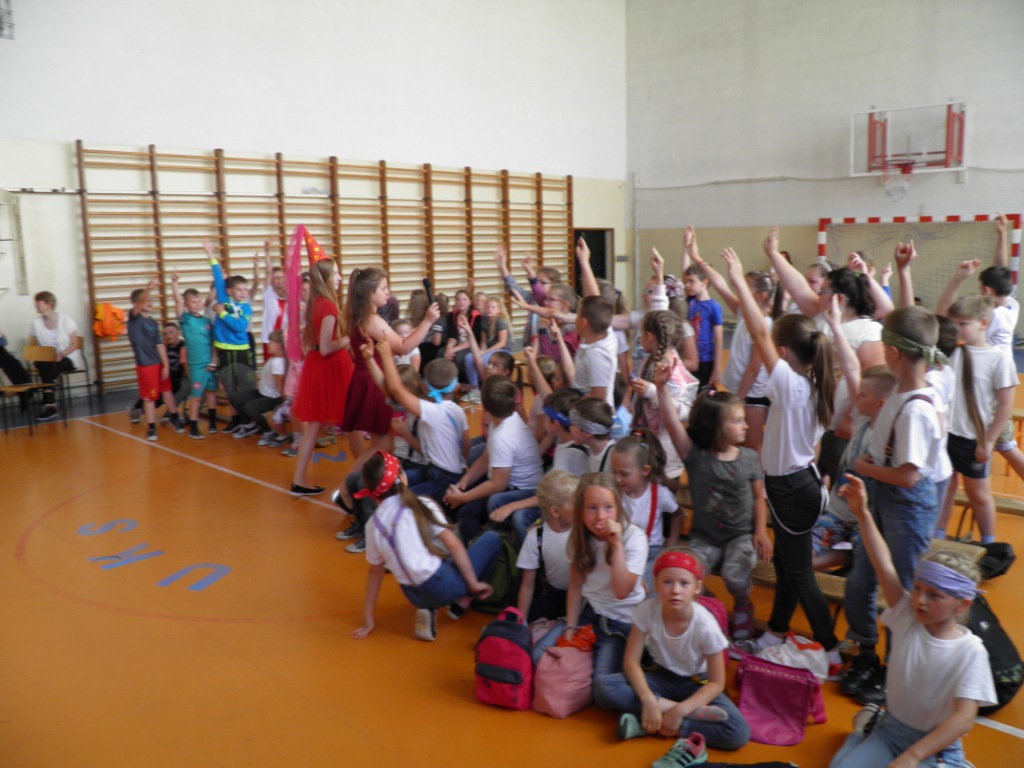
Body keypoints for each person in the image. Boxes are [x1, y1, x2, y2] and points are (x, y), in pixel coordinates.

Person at [719, 243, 845, 676]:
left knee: (799, 572)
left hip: (792, 489)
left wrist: (738, 279)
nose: (769, 349)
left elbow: (758, 332)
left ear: (786, 352)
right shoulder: (813, 384)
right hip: (797, 483)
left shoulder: (791, 386)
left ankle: (830, 647)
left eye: (776, 346)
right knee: (790, 568)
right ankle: (775, 631)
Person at [829, 476, 995, 768]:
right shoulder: (907, 615)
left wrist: (913, 756)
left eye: (934, 595)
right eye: (917, 588)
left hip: (935, 745)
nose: (920, 600)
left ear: (962, 604)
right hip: (891, 731)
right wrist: (863, 513)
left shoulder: (970, 651)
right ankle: (864, 728)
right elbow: (883, 564)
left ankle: (866, 731)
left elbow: (964, 718)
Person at [842, 306, 947, 705]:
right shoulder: (902, 390)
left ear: (893, 352)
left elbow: (908, 476)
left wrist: (864, 466)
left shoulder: (916, 408)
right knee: (861, 579)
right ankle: (866, 651)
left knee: (903, 591)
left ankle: (897, 667)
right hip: (883, 497)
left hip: (906, 504)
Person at [594, 548, 751, 752]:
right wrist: (649, 700)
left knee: (738, 732)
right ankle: (669, 713)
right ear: (656, 584)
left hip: (696, 683)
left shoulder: (705, 625)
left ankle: (655, 722)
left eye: (684, 583)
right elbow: (631, 661)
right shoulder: (646, 610)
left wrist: (680, 711)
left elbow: (716, 683)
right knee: (603, 687)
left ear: (697, 587)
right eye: (667, 582)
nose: (675, 590)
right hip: (661, 677)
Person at [656, 385, 768, 642]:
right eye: (737, 421)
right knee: (685, 573)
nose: (746, 426)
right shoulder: (696, 456)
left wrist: (761, 531)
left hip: (740, 537)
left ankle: (743, 604)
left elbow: (759, 497)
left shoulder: (749, 458)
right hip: (704, 537)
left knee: (734, 575)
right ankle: (710, 601)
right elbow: (672, 423)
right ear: (716, 426)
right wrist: (661, 388)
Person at [350, 451, 500, 642]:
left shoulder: (373, 524)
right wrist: (473, 584)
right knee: (491, 539)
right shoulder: (421, 504)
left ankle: (429, 608)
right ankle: (464, 599)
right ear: (402, 477)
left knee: (430, 551)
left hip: (414, 595)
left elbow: (375, 572)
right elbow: (454, 545)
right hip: (445, 586)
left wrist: (367, 618)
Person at [337, 267, 440, 506]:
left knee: (382, 443)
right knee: (382, 444)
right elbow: (403, 347)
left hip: (366, 377)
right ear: (369, 292)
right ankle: (346, 491)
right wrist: (427, 321)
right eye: (383, 288)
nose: (388, 292)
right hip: (374, 381)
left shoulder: (359, 316)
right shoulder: (372, 320)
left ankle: (359, 490)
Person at [933, 296, 1016, 543]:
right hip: (946, 434)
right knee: (945, 488)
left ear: (983, 323)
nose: (957, 329)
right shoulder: (953, 351)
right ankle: (938, 536)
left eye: (963, 324)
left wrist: (988, 441)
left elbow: (1005, 405)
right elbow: (941, 312)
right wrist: (959, 279)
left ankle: (989, 543)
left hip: (971, 438)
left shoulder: (998, 358)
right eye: (955, 324)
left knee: (979, 495)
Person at [686, 227, 775, 453]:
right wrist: (697, 257)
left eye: (744, 287)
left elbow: (754, 369)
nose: (738, 289)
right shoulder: (744, 311)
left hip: (752, 396)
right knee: (736, 445)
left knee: (751, 448)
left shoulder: (765, 325)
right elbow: (720, 284)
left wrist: (737, 401)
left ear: (761, 296)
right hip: (739, 392)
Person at [559, 473, 648, 694]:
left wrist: (616, 545)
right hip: (590, 614)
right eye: (592, 508)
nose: (600, 516)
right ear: (581, 511)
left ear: (618, 508)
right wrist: (571, 626)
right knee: (541, 655)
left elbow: (621, 591)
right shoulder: (579, 539)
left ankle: (657, 704)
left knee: (604, 689)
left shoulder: (635, 538)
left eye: (608, 507)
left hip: (621, 621)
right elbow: (576, 586)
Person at [811, 366, 896, 573]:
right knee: (802, 557)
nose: (856, 398)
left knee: (867, 566)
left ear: (881, 404)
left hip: (865, 519)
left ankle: (851, 559)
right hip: (837, 512)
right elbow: (851, 369)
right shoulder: (862, 419)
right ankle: (844, 558)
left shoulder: (889, 435)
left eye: (862, 395)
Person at [444, 375, 544, 545]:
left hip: (521, 489)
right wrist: (465, 481)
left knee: (466, 513)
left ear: (485, 407)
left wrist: (463, 498)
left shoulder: (502, 436)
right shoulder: (503, 420)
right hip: (505, 482)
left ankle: (488, 552)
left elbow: (498, 484)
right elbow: (485, 458)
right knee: (456, 495)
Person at [290, 258, 351, 495]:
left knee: (314, 426)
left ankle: (299, 479)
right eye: (336, 274)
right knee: (352, 417)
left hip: (317, 366)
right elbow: (326, 347)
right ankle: (364, 471)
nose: (340, 278)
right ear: (325, 278)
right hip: (328, 367)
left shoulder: (315, 303)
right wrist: (348, 338)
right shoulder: (328, 306)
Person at [629, 308, 699, 482]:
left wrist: (652, 392)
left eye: (641, 334)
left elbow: (684, 412)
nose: (639, 338)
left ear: (649, 337)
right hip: (647, 446)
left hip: (665, 455)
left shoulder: (672, 369)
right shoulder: (649, 359)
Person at [609, 430, 681, 584]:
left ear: (645, 470)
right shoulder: (615, 492)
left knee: (642, 587)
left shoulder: (659, 494)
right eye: (614, 472)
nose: (617, 479)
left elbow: (677, 514)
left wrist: (671, 542)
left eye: (624, 474)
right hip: (622, 549)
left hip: (651, 552)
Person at [204, 239, 256, 432]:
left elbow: (240, 326)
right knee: (228, 387)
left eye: (245, 290)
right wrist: (210, 254)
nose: (243, 293)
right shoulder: (224, 299)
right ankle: (236, 419)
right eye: (239, 289)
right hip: (224, 351)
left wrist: (222, 313)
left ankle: (249, 419)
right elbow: (218, 277)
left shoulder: (246, 308)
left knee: (243, 386)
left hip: (241, 351)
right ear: (230, 291)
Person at [515, 469, 578, 626]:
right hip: (556, 596)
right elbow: (527, 585)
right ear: (555, 511)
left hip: (584, 597)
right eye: (576, 503)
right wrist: (521, 622)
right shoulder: (536, 536)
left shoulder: (582, 530)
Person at [127, 279, 180, 441]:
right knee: (149, 398)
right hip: (146, 365)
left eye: (151, 300)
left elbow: (159, 344)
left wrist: (165, 365)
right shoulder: (134, 318)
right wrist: (148, 289)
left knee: (167, 391)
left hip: (158, 363)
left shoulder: (152, 322)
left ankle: (174, 417)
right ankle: (151, 427)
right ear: (137, 303)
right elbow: (141, 300)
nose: (149, 301)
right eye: (146, 300)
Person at [170, 273, 219, 439]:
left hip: (209, 363)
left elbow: (213, 343)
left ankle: (212, 423)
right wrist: (174, 283)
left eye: (199, 301)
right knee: (196, 397)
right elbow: (177, 301)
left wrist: (213, 361)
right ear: (187, 304)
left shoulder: (206, 321)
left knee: (211, 392)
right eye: (193, 302)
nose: (197, 304)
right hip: (196, 365)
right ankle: (193, 427)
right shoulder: (186, 320)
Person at [29, 290, 84, 421]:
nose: (35, 305)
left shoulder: (66, 320)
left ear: (48, 304)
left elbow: (75, 344)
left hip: (68, 357)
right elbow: (33, 345)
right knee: (46, 365)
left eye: (38, 302)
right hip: (48, 360)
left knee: (46, 367)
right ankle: (50, 404)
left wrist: (61, 354)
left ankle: (48, 402)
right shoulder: (35, 323)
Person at [230, 329, 287, 444]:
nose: (268, 345)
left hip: (272, 398)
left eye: (271, 342)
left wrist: (284, 403)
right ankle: (250, 425)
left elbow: (280, 385)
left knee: (249, 407)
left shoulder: (278, 364)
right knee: (235, 398)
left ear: (279, 346)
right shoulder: (273, 359)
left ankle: (268, 431)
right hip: (262, 392)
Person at [681, 261, 724, 391]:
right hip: (691, 357)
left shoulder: (714, 307)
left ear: (704, 283)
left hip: (706, 360)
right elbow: (684, 272)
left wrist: (716, 370)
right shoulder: (691, 301)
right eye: (686, 281)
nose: (687, 285)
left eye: (691, 281)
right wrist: (686, 250)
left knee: (705, 394)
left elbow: (719, 340)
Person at [465, 295, 511, 393]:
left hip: (502, 351)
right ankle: (474, 388)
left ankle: (487, 385)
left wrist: (483, 353)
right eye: (488, 307)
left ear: (498, 310)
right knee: (469, 358)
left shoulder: (500, 321)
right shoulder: (484, 320)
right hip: (490, 350)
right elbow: (484, 342)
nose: (490, 309)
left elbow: (502, 343)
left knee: (484, 360)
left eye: (493, 307)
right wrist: (480, 352)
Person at [568, 395, 616, 473]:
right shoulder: (591, 451)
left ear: (588, 432)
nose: (570, 428)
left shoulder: (613, 457)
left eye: (573, 425)